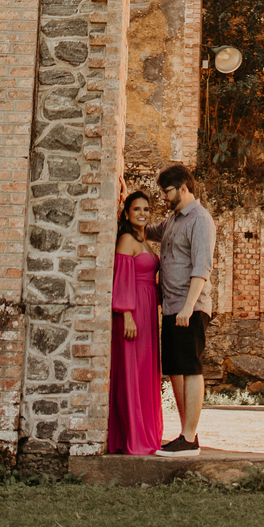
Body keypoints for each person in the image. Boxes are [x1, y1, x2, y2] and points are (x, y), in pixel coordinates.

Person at [150, 163, 216, 458]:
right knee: (176, 371)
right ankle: (185, 435)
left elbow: (202, 266)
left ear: (183, 188)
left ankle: (189, 438)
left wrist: (188, 307)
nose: (164, 197)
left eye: (167, 191)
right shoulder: (172, 220)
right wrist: (123, 202)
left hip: (190, 308)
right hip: (172, 307)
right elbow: (144, 229)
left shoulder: (200, 220)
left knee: (191, 370)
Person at [106, 189, 162, 455]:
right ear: (127, 213)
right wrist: (126, 314)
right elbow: (122, 279)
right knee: (132, 372)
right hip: (133, 312)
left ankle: (148, 434)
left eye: (146, 209)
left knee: (146, 372)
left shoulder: (146, 241)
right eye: (137, 209)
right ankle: (132, 436)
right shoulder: (126, 240)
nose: (142, 213)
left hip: (149, 310)